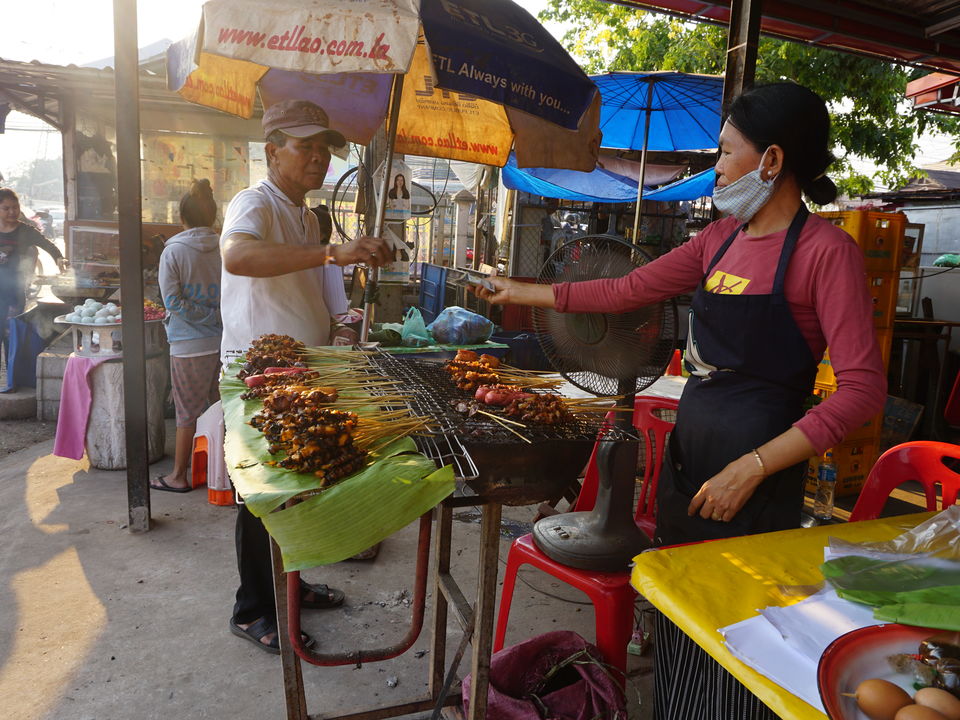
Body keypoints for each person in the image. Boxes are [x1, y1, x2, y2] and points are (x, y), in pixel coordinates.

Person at [474, 83, 887, 717]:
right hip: (692, 451)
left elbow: (862, 392)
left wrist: (750, 469)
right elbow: (625, 290)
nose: (716, 168)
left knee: (740, 630)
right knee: (678, 610)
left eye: (725, 153)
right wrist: (521, 293)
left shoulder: (826, 254)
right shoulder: (718, 241)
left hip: (758, 470)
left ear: (771, 161)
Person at [220, 99, 392, 654]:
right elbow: (238, 257)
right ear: (272, 151)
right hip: (259, 375)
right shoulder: (255, 202)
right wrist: (330, 252)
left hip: (307, 370)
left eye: (325, 148)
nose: (319, 157)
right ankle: (252, 609)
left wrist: (344, 321)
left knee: (302, 484)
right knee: (263, 493)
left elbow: (321, 289)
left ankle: (293, 581)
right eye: (305, 146)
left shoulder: (308, 214)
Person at [152, 179, 222, 493]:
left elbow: (173, 303)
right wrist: (216, 317)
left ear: (182, 217)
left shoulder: (174, 251)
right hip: (221, 342)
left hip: (188, 345)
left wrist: (204, 318)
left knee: (186, 413)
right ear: (213, 216)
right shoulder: (227, 246)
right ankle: (226, 474)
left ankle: (179, 475)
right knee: (221, 410)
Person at [0, 188, 69, 364]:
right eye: (6, 208)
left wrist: (60, 259)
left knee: (10, 334)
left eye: (15, 207)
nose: (12, 212)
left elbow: (49, 246)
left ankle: (12, 379)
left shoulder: (26, 231)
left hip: (14, 293)